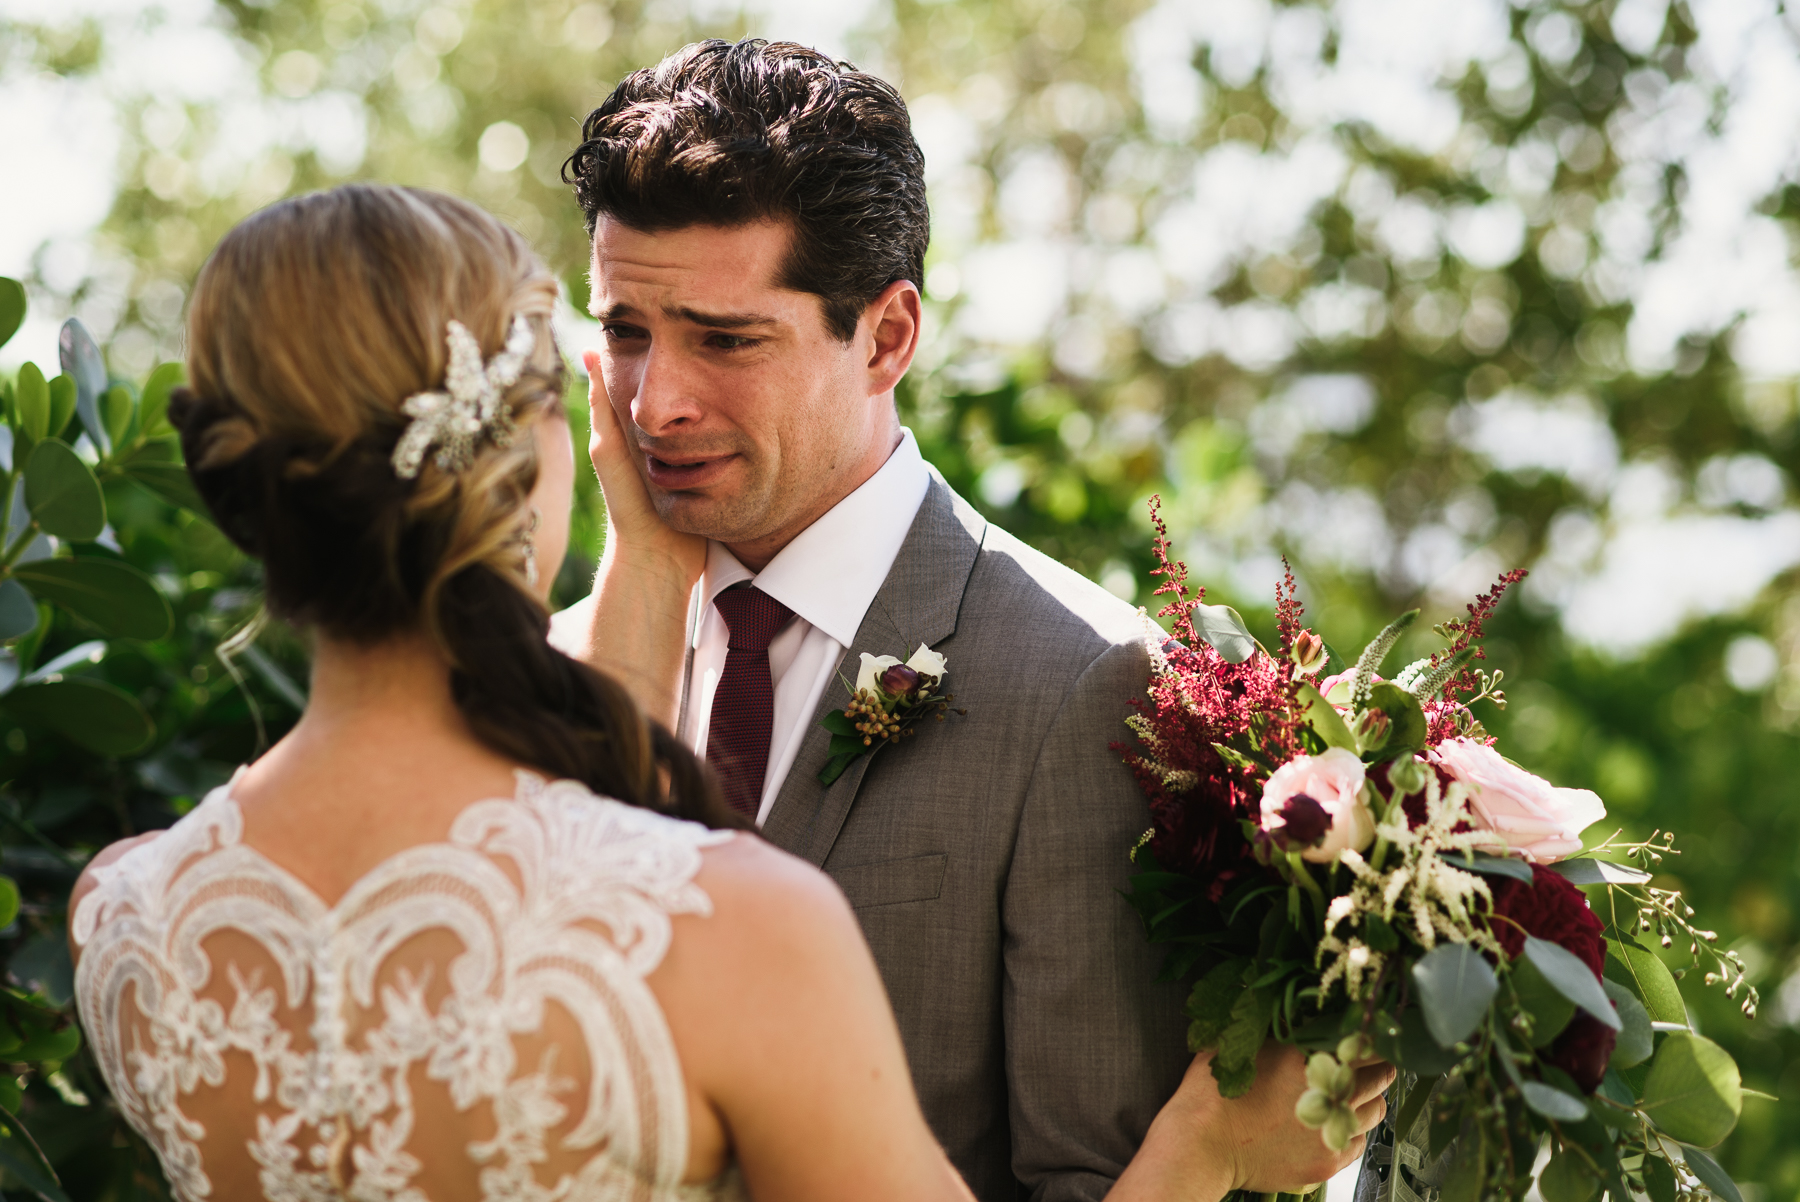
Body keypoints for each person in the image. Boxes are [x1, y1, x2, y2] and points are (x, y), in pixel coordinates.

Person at [67, 185, 1388, 1202]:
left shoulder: (127, 925)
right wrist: (1213, 1144)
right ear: (537, 450)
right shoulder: (737, 929)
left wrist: (646, 567)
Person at [553, 37, 1389, 1202]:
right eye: (627, 330)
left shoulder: (1077, 680)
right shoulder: (556, 671)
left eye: (725, 338)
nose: (656, 402)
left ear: (888, 336)